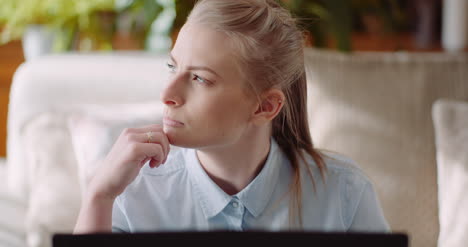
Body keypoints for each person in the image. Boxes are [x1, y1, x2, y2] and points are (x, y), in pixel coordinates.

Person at [74, 0, 389, 233]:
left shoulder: (344, 193)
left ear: (264, 107)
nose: (167, 93)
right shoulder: (133, 191)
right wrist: (98, 196)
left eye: (200, 79)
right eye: (173, 67)